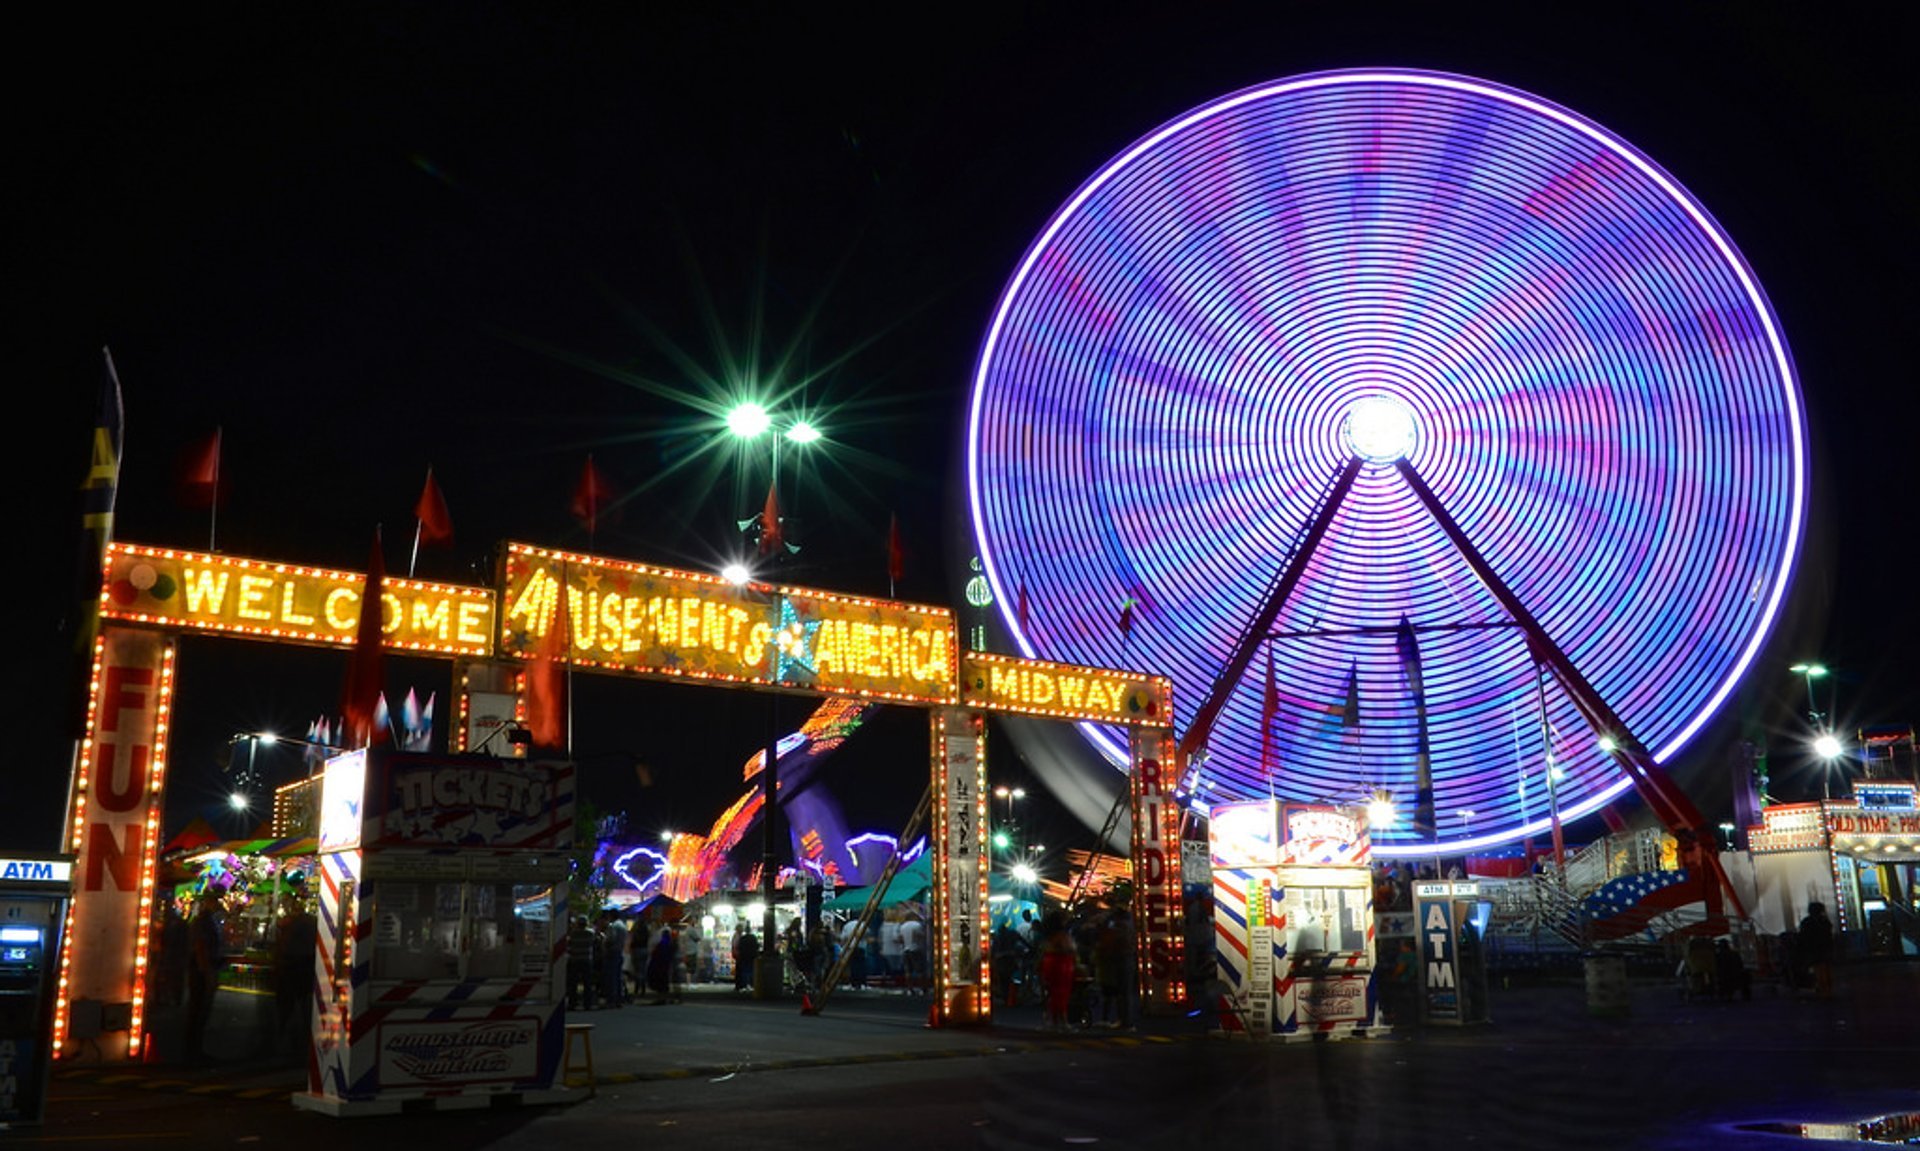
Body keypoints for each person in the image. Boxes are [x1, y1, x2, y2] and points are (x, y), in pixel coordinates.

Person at [184, 895, 225, 1062]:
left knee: (199, 1011)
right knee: (199, 1010)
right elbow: (201, 947)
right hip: (201, 970)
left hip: (203, 968)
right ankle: (192, 1051)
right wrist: (207, 971)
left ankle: (194, 1049)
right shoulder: (204, 922)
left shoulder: (206, 921)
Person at [1037, 912, 1077, 1032]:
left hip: (1051, 963)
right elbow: (1070, 948)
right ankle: (1063, 1021)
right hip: (1061, 964)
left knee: (1053, 992)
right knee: (1061, 992)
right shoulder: (1062, 936)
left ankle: (1054, 1021)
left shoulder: (1049, 937)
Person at [1796, 901, 1834, 998]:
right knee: (1824, 969)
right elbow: (1829, 935)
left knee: (1818, 969)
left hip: (1813, 950)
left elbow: (1802, 937)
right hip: (1824, 949)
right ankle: (1826, 990)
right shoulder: (1824, 921)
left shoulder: (1807, 922)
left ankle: (1822, 988)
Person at [566, 915, 602, 1010]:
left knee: (573, 983)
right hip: (587, 960)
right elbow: (598, 941)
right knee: (587, 983)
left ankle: (572, 1003)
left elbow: (569, 944)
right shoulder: (590, 933)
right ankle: (587, 1003)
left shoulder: (573, 934)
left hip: (575, 959)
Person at [599, 912, 628, 1007]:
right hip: (619, 952)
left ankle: (611, 999)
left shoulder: (613, 926)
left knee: (611, 977)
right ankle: (619, 999)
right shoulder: (623, 926)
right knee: (618, 977)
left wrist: (605, 943)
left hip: (612, 953)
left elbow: (611, 939)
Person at [647, 924, 680, 1004]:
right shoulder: (670, 943)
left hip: (661, 965)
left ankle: (662, 997)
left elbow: (655, 954)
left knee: (662, 982)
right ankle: (666, 997)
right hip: (666, 964)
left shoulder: (662, 944)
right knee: (666, 982)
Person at [733, 926, 760, 993]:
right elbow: (757, 946)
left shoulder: (742, 938)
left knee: (744, 971)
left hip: (744, 957)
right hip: (752, 957)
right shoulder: (753, 937)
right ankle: (751, 984)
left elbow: (739, 947)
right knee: (751, 970)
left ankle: (744, 984)